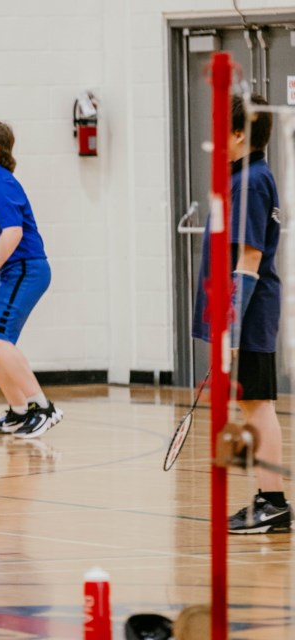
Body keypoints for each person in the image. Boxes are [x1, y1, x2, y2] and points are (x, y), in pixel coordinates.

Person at [192, 94, 289, 534]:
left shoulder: (249, 181)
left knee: (257, 407)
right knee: (255, 405)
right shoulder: (245, 177)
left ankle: (273, 502)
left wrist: (228, 329)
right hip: (246, 312)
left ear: (236, 134)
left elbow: (248, 260)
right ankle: (269, 499)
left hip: (248, 314)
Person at [0, 119, 62, 439]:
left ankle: (43, 408)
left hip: (25, 269)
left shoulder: (0, 183)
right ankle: (19, 411)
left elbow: (12, 233)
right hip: (12, 271)